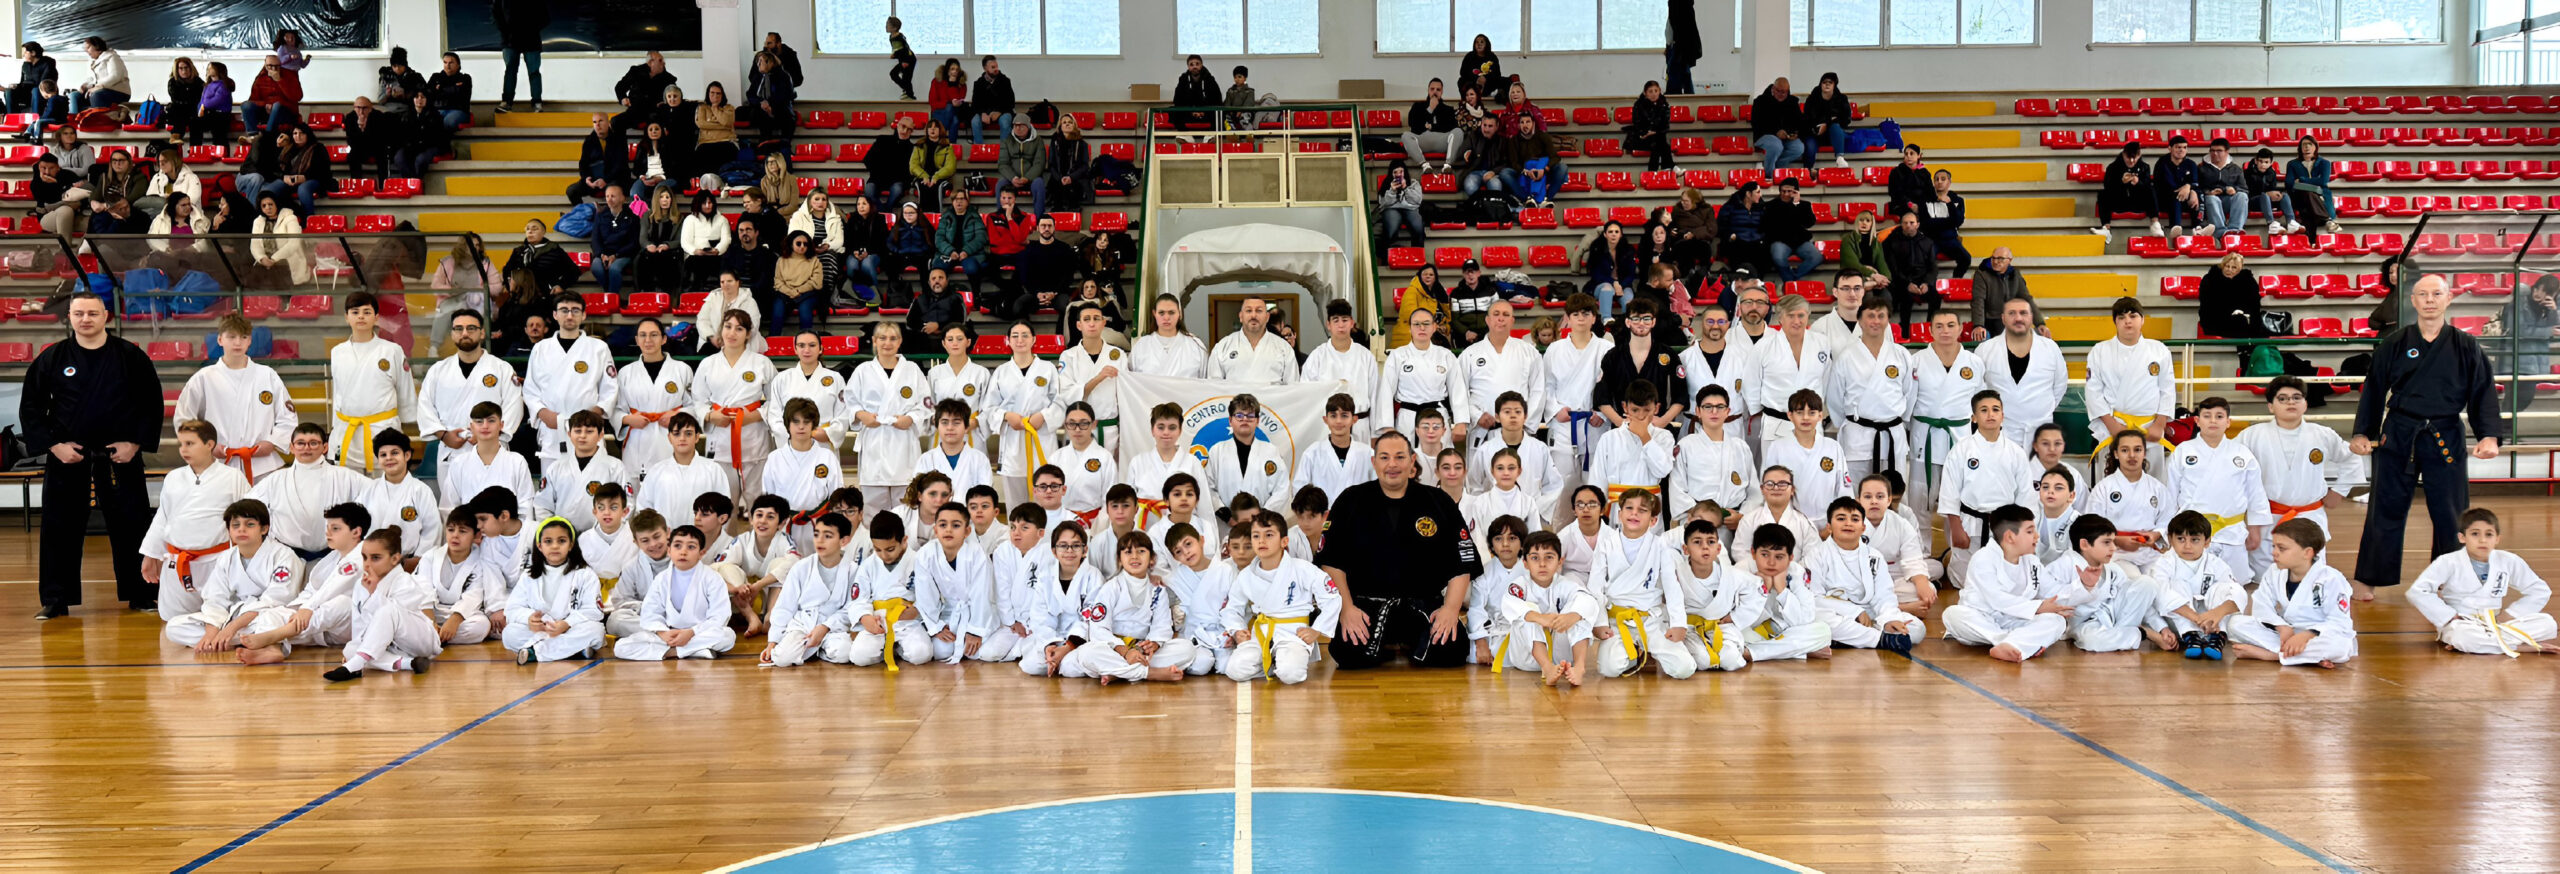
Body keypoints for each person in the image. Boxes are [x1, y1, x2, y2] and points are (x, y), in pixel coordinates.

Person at [2352, 274, 2502, 599]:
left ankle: (2449, 578)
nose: (2430, 299)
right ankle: (2370, 577)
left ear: (2449, 299)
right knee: (2385, 508)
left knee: (2451, 512)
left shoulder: (2465, 345)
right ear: (2413, 300)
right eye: (2423, 294)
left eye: (2437, 293)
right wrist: (2363, 431)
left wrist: (2488, 435)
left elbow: (2482, 392)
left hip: (2445, 432)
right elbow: (2374, 389)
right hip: (2399, 432)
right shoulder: (2394, 342)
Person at [21, 294, 158, 618]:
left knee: (132, 524)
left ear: (105, 316)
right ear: (69, 316)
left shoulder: (129, 356)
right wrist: (55, 447)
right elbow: (32, 407)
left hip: (119, 455)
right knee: (59, 528)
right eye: (79, 313)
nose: (86, 319)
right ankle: (56, 599)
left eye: (92, 313)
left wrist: (134, 445)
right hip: (69, 454)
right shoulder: (53, 358)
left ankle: (141, 593)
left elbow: (150, 404)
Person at [1322, 431, 1479, 669]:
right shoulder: (1351, 500)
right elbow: (1331, 561)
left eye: (1399, 457)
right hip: (1367, 606)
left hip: (1423, 604)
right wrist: (1347, 608)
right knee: (1348, 653)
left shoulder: (1438, 501)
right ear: (1374, 463)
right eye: (1384, 458)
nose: (1392, 464)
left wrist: (1450, 609)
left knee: (1451, 651)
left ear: (1412, 461)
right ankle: (1390, 644)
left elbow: (1462, 561)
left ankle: (1404, 642)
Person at [2408, 508, 2557, 656]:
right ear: (2462, 537)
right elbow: (2418, 591)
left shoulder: (2509, 560)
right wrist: (2448, 615)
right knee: (2463, 636)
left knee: (2548, 623)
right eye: (2475, 534)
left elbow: (2539, 590)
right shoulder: (2448, 562)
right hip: (2463, 622)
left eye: (2489, 534)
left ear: (2497, 538)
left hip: (2498, 622)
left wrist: (2511, 614)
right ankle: (2519, 646)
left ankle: (2483, 645)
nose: (2482, 540)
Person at [2224, 519, 2356, 668]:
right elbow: (2262, 605)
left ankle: (2272, 655)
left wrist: (2308, 634)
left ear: (2307, 553)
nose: (2274, 553)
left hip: (2319, 635)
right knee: (2236, 624)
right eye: (2274, 546)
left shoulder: (2331, 579)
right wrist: (2281, 627)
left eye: (2282, 548)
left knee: (2339, 646)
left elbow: (2340, 622)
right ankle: (2304, 657)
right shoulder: (2274, 572)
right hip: (2288, 633)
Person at [2042, 514, 2172, 653]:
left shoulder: (2112, 568)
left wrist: (2161, 627)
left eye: (2113, 542)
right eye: (2106, 542)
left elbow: (2137, 601)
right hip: (2085, 624)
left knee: (2146, 583)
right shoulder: (2063, 565)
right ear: (2084, 544)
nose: (2113, 548)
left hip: (2116, 619)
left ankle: (2124, 633)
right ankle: (2141, 633)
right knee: (2092, 641)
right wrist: (2084, 586)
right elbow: (2049, 600)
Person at [2082, 297, 2174, 460]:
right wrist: (2113, 426)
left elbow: (2167, 390)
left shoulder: (2159, 350)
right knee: (2112, 481)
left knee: (2152, 482)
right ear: (2115, 322)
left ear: (2143, 320)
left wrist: (2159, 425)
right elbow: (2093, 393)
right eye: (2122, 317)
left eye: (2133, 316)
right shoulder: (2100, 351)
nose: (2128, 322)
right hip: (2113, 427)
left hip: (2150, 429)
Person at [1978, 297, 2066, 445]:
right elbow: (1978, 390)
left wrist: (2039, 409)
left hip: (2041, 433)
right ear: (2003, 318)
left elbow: (2060, 386)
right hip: (1999, 433)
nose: (2018, 318)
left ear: (2031, 317)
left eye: (2023, 313)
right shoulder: (1985, 350)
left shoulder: (2050, 348)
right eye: (2012, 313)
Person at [1208, 296, 1300, 384]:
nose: (1253, 315)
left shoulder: (1284, 348)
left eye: (1259, 311)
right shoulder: (1222, 346)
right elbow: (1214, 388)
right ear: (1241, 316)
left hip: (1271, 401)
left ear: (1267, 317)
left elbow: (1292, 388)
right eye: (1248, 310)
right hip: (1233, 400)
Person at [1966, 247, 2040, 336]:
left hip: (2011, 319)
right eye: (1993, 258)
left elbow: (2027, 298)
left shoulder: (2015, 274)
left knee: (2035, 334)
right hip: (1991, 321)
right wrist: (1978, 325)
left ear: (2009, 260)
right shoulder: (1982, 274)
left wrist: (2040, 323)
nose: (1996, 261)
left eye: (2000, 258)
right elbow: (1978, 300)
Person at [2088, 142, 2152, 240]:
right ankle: (2106, 228)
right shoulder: (2112, 167)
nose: (2131, 161)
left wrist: (2138, 182)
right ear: (2123, 154)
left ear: (2139, 155)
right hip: (2119, 202)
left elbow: (2147, 189)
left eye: (2134, 157)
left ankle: (2155, 223)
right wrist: (2121, 182)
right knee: (2102, 194)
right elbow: (2108, 188)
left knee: (2152, 189)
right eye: (2128, 157)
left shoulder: (2145, 167)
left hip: (2138, 203)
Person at [2197, 252, 2268, 339]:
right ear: (2223, 266)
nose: (2229, 270)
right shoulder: (2210, 279)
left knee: (2258, 325)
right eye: (2227, 266)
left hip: (2243, 317)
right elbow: (2207, 306)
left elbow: (2254, 304)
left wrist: (2243, 312)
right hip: (2215, 319)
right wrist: (2232, 313)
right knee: (2240, 322)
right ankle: (2246, 351)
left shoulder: (2248, 281)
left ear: (2239, 269)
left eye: (2234, 267)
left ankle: (2262, 350)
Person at [1763, 178, 1822, 282]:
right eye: (1783, 191)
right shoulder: (1770, 206)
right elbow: (1770, 226)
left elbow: (1809, 223)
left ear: (1796, 192)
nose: (1785, 194)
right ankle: (1790, 282)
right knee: (1778, 257)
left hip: (1800, 241)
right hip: (1779, 240)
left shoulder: (1804, 205)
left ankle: (1792, 278)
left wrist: (1796, 204)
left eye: (1789, 191)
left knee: (1816, 257)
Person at [492, 0, 547, 112]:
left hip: (531, 40)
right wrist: (506, 31)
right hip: (510, 40)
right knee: (510, 71)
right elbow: (496, 15)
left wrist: (530, 28)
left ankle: (537, 102)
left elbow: (544, 17)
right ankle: (507, 102)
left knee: (533, 72)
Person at [2192, 137, 2248, 238]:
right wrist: (2208, 192)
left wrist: (2235, 190)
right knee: (2211, 198)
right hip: (2210, 202)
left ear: (2227, 152)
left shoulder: (2236, 169)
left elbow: (2244, 188)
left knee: (2242, 196)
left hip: (2229, 201)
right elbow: (2197, 187)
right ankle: (2220, 232)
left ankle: (2235, 229)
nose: (2215, 153)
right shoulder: (2201, 168)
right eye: (2212, 150)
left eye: (2219, 151)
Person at [1401, 79, 1460, 172]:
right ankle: (1424, 165)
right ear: (1428, 90)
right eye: (1432, 89)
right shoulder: (1417, 107)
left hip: (1442, 142)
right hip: (1423, 141)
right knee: (1405, 135)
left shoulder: (1448, 109)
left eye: (1438, 89)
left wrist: (1431, 127)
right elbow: (1414, 127)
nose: (1435, 92)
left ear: (1442, 92)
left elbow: (1450, 127)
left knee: (1458, 131)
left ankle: (1448, 165)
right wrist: (1430, 109)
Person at [1749, 77, 1805, 173]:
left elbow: (1798, 122)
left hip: (1786, 137)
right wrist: (1776, 132)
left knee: (1799, 148)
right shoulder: (1760, 101)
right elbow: (1757, 123)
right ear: (1773, 89)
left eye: (1783, 92)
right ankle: (1769, 175)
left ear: (1788, 91)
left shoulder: (1793, 102)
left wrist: (1794, 133)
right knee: (1776, 145)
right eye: (1778, 91)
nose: (1780, 94)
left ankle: (1777, 168)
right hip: (1764, 135)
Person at [2285, 135, 2340, 234]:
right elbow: (2289, 183)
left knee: (2308, 210)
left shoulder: (2324, 163)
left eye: (2310, 144)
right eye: (2304, 145)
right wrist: (2314, 181)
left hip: (2321, 196)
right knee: (2308, 194)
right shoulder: (2292, 164)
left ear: (2315, 147)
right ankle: (2328, 220)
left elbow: (2323, 181)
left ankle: (2311, 243)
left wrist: (2302, 180)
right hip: (2300, 197)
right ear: (2300, 148)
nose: (2307, 147)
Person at [742, 50, 798, 146]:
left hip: (780, 109)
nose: (758, 64)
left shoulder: (783, 76)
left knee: (787, 119)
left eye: (761, 61)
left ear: (771, 63)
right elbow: (750, 94)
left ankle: (784, 147)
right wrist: (761, 102)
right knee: (757, 114)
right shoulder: (758, 77)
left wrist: (771, 107)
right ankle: (764, 145)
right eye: (758, 62)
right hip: (762, 109)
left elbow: (785, 95)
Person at [2151, 136, 2203, 237]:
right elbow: (2162, 184)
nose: (2181, 150)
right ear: (2170, 148)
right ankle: (2175, 227)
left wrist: (2190, 189)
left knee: (2198, 194)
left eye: (2184, 147)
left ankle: (2198, 227)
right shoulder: (2162, 163)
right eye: (2178, 147)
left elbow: (2195, 182)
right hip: (2165, 200)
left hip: (2186, 200)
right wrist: (2185, 189)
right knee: (2176, 195)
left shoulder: (2191, 164)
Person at [2243, 147, 2299, 236]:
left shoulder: (2272, 173)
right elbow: (2248, 192)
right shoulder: (2247, 173)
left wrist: (2276, 194)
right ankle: (2271, 223)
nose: (2263, 165)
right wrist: (2267, 194)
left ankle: (2291, 222)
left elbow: (2272, 188)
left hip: (2267, 201)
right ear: (2256, 161)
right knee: (2264, 196)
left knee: (2284, 195)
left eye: (2266, 162)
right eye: (2260, 161)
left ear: (2271, 163)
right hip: (2253, 201)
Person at [242, 54, 301, 134]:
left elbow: (297, 97)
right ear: (265, 65)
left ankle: (268, 135)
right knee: (246, 105)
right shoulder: (260, 78)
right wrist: (266, 104)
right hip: (266, 111)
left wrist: (279, 80)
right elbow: (253, 100)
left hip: (286, 112)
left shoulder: (290, 75)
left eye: (277, 66)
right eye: (270, 66)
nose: (274, 69)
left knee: (277, 105)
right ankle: (253, 134)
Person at [1374, 163, 1425, 252]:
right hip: (1391, 208)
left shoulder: (1413, 183)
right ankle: (1387, 256)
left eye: (1401, 172)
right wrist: (1392, 191)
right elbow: (1383, 204)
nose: (1398, 175)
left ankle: (1417, 256)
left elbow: (1418, 200)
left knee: (1418, 228)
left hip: (1410, 208)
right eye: (1395, 172)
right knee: (1391, 229)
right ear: (1391, 174)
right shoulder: (1386, 184)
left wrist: (1406, 188)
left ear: (1405, 172)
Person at [70, 37, 127, 113]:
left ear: (97, 46)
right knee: (74, 95)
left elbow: (115, 76)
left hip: (117, 91)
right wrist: (84, 86)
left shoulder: (112, 57)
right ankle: (75, 122)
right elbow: (91, 79)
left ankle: (98, 121)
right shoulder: (92, 61)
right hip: (97, 91)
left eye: (88, 47)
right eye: (85, 48)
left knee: (96, 95)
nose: (86, 50)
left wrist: (99, 87)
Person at [1625, 81, 1673, 173]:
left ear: (1660, 91)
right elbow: (1637, 123)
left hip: (1657, 137)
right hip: (1642, 137)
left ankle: (1653, 172)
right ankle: (1668, 168)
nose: (1654, 94)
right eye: (1650, 91)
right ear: (1645, 93)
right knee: (1663, 144)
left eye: (1656, 91)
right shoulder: (1639, 105)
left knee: (1658, 142)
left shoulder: (1664, 105)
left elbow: (1666, 126)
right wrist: (1646, 132)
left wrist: (1655, 132)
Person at [968, 55, 1014, 145]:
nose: (996, 69)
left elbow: (1011, 102)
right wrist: (982, 113)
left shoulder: (1005, 81)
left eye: (996, 66)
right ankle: (979, 150)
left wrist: (999, 112)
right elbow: (975, 104)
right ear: (985, 68)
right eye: (993, 67)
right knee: (975, 122)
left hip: (1002, 111)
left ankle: (1004, 151)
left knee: (1005, 122)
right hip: (984, 112)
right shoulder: (978, 83)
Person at [8, 41, 56, 117]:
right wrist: (16, 86)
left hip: (42, 92)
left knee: (35, 90)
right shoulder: (25, 65)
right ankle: (12, 118)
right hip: (27, 92)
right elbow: (22, 82)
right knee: (9, 91)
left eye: (25, 52)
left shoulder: (48, 63)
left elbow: (43, 83)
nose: (23, 55)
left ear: (33, 53)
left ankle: (35, 119)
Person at [1173, 54, 1218, 131]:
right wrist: (1191, 111)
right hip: (1189, 113)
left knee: (1219, 113)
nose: (1194, 67)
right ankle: (1185, 136)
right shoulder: (1183, 79)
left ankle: (1209, 137)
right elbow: (1177, 100)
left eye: (1197, 64)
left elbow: (1217, 99)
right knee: (1173, 112)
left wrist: (1204, 111)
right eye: (1191, 64)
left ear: (1201, 65)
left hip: (1207, 112)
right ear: (1188, 66)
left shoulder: (1210, 79)